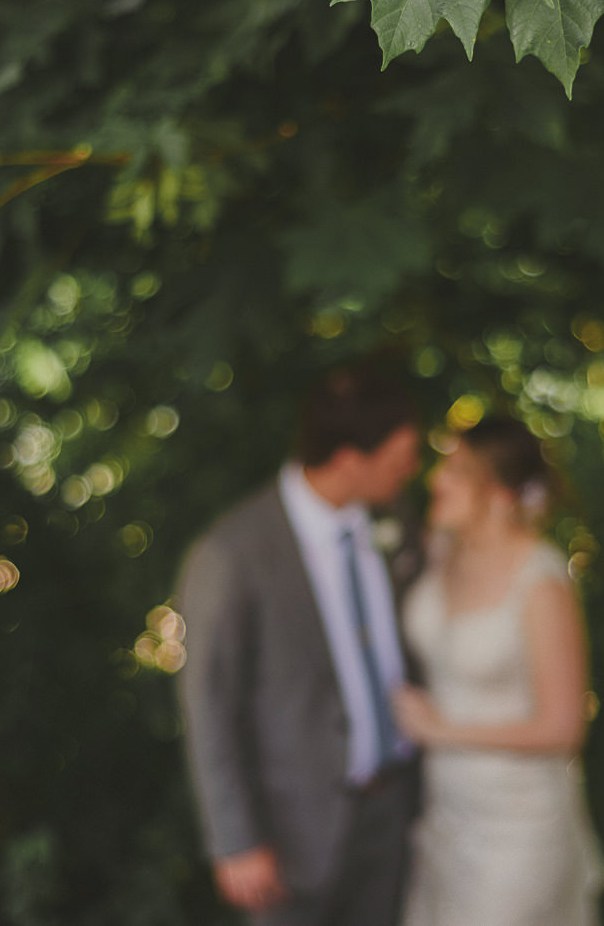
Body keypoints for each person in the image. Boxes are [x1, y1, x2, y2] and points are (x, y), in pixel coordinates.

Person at [175, 365, 425, 926]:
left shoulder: (396, 523)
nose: (413, 470)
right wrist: (234, 840)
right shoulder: (232, 554)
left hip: (391, 815)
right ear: (348, 461)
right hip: (291, 831)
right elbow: (210, 704)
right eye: (401, 456)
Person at [394, 415, 604, 926]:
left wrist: (440, 729)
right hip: (444, 818)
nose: (436, 480)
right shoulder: (441, 550)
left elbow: (564, 728)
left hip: (518, 829)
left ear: (502, 493)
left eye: (458, 471)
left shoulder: (540, 582)